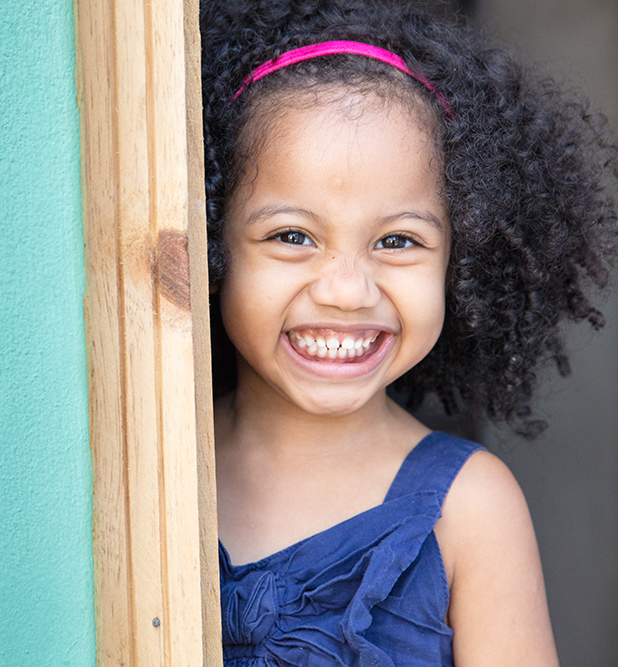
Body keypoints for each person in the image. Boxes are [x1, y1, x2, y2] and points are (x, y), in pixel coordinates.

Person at [201, 1, 618, 665]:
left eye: (397, 240)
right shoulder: (156, 472)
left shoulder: (472, 508)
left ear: (463, 257)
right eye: (291, 236)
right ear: (213, 245)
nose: (346, 290)